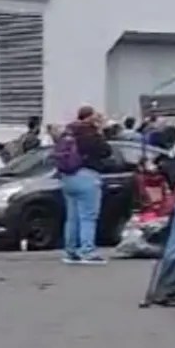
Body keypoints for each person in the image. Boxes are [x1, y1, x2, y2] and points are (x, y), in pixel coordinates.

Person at [54, 106, 113, 265]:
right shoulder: (90, 133)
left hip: (67, 177)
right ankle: (87, 251)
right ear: (90, 118)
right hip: (86, 176)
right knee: (88, 217)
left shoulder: (68, 132)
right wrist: (100, 131)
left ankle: (70, 252)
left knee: (72, 218)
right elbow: (106, 151)